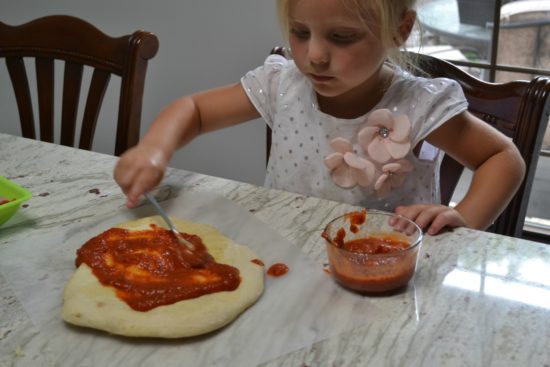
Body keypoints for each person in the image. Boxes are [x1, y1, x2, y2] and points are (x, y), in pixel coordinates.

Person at [114, 0, 525, 236]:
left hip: (382, 275)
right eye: (299, 32)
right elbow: (196, 111)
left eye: (341, 37)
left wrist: (463, 217)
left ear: (399, 29)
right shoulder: (282, 84)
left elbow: (502, 159)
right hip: (284, 257)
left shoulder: (418, 104)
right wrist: (154, 148)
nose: (314, 55)